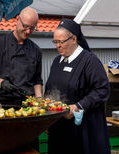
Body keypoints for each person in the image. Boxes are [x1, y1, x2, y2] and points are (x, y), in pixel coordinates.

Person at [45, 18, 111, 154]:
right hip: (59, 127)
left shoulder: (89, 61)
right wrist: (47, 118)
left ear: (74, 39)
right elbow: (50, 89)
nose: (57, 46)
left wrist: (78, 107)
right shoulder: (57, 61)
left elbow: (102, 90)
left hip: (84, 128)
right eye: (55, 42)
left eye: (61, 42)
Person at [0, 7, 43, 106]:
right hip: (1, 104)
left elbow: (37, 80)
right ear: (17, 19)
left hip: (27, 104)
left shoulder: (36, 50)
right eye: (25, 26)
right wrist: (2, 83)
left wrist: (39, 99)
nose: (28, 31)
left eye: (32, 28)